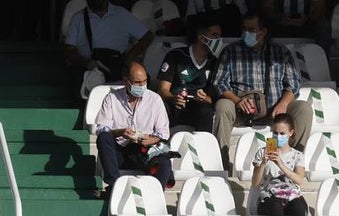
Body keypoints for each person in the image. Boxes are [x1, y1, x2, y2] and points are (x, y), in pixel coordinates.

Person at [211, 12, 312, 166]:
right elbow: (219, 83)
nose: (247, 33)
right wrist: (237, 101)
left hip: (275, 110)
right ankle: (222, 163)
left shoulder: (281, 52)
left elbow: (293, 84)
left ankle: (294, 162)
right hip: (241, 111)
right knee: (222, 105)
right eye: (244, 29)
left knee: (303, 108)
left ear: (263, 31)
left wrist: (284, 103)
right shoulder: (230, 51)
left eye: (251, 30)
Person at [95, 62, 173, 193]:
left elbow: (163, 132)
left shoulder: (155, 99)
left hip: (143, 150)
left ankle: (155, 195)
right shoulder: (112, 98)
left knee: (164, 160)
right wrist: (120, 132)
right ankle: (113, 187)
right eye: (137, 82)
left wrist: (151, 139)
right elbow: (101, 128)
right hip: (119, 150)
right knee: (103, 138)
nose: (142, 86)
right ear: (126, 81)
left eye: (144, 81)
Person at [64, 0, 153, 93]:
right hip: (89, 69)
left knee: (141, 80)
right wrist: (85, 62)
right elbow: (69, 49)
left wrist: (129, 57)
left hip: (117, 67)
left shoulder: (121, 14)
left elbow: (147, 36)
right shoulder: (78, 17)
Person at [157, 14, 223, 131]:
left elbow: (214, 97)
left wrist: (205, 98)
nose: (219, 40)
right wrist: (173, 98)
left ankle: (203, 142)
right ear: (202, 38)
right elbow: (162, 89)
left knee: (206, 111)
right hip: (174, 104)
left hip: (199, 107)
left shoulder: (215, 62)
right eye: (215, 35)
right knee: (162, 106)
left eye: (219, 35)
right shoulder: (176, 56)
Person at [251, 114, 307, 216]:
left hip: (290, 196)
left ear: (290, 133)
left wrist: (280, 164)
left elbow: (299, 180)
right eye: (275, 133)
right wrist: (263, 163)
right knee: (276, 206)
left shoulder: (298, 155)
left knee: (299, 206)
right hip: (268, 198)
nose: (278, 136)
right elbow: (255, 183)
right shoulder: (262, 152)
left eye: (282, 133)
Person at [259, 0, 330, 53]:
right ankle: (263, 62)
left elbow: (320, 9)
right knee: (263, 23)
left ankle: (323, 64)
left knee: (324, 26)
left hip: (306, 25)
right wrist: (280, 18)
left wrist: (307, 19)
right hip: (279, 25)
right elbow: (266, 7)